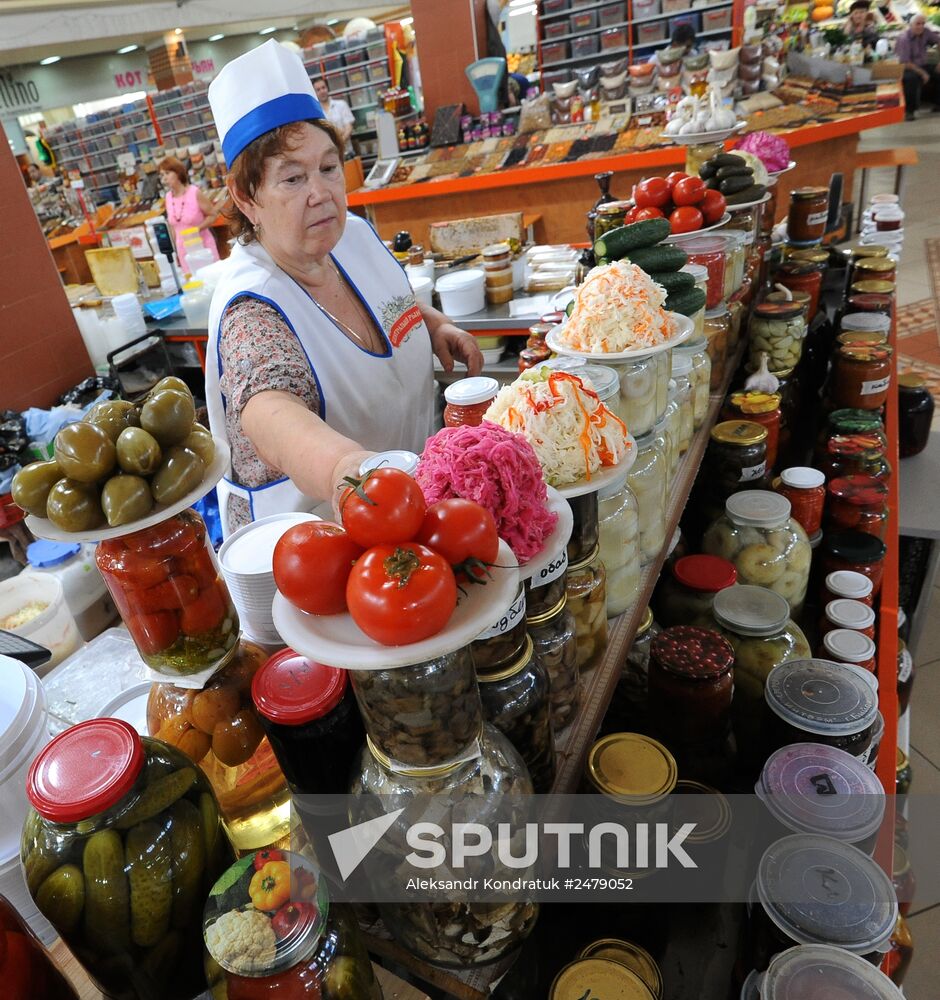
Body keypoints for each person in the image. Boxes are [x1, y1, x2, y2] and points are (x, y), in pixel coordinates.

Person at [205, 41, 482, 536]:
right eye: (292, 178)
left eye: (328, 168)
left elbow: (380, 296)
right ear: (246, 198)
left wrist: (431, 323)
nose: (322, 193)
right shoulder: (252, 309)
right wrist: (344, 473)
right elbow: (268, 411)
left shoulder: (347, 234)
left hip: (412, 509)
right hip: (324, 546)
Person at [158, 156, 221, 273]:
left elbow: (212, 215)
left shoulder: (194, 192)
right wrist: (174, 251)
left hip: (202, 246)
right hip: (183, 250)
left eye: (167, 173)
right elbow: (173, 227)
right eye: (162, 175)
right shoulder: (167, 197)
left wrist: (197, 229)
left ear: (177, 172)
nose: (164, 178)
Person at [896, 13, 940, 119]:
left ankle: (938, 103)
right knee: (912, 79)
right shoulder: (904, 39)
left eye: (923, 23)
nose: (920, 26)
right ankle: (909, 111)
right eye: (917, 24)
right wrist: (923, 73)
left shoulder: (926, 32)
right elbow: (905, 62)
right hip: (908, 67)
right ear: (911, 25)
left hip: (922, 64)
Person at [312, 76, 355, 158]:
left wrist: (338, 143)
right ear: (314, 93)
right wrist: (340, 132)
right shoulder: (315, 113)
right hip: (328, 158)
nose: (322, 91)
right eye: (318, 90)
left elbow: (348, 128)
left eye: (323, 87)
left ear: (327, 88)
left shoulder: (341, 105)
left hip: (347, 154)